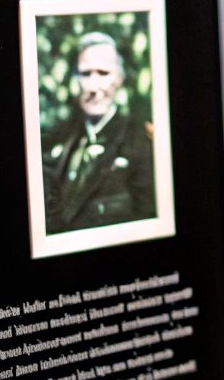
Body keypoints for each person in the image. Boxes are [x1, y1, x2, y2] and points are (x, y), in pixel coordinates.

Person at [42, 30, 156, 234]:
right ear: (75, 78)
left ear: (119, 79)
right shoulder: (61, 139)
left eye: (103, 73)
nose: (94, 86)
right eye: (86, 73)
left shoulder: (138, 140)